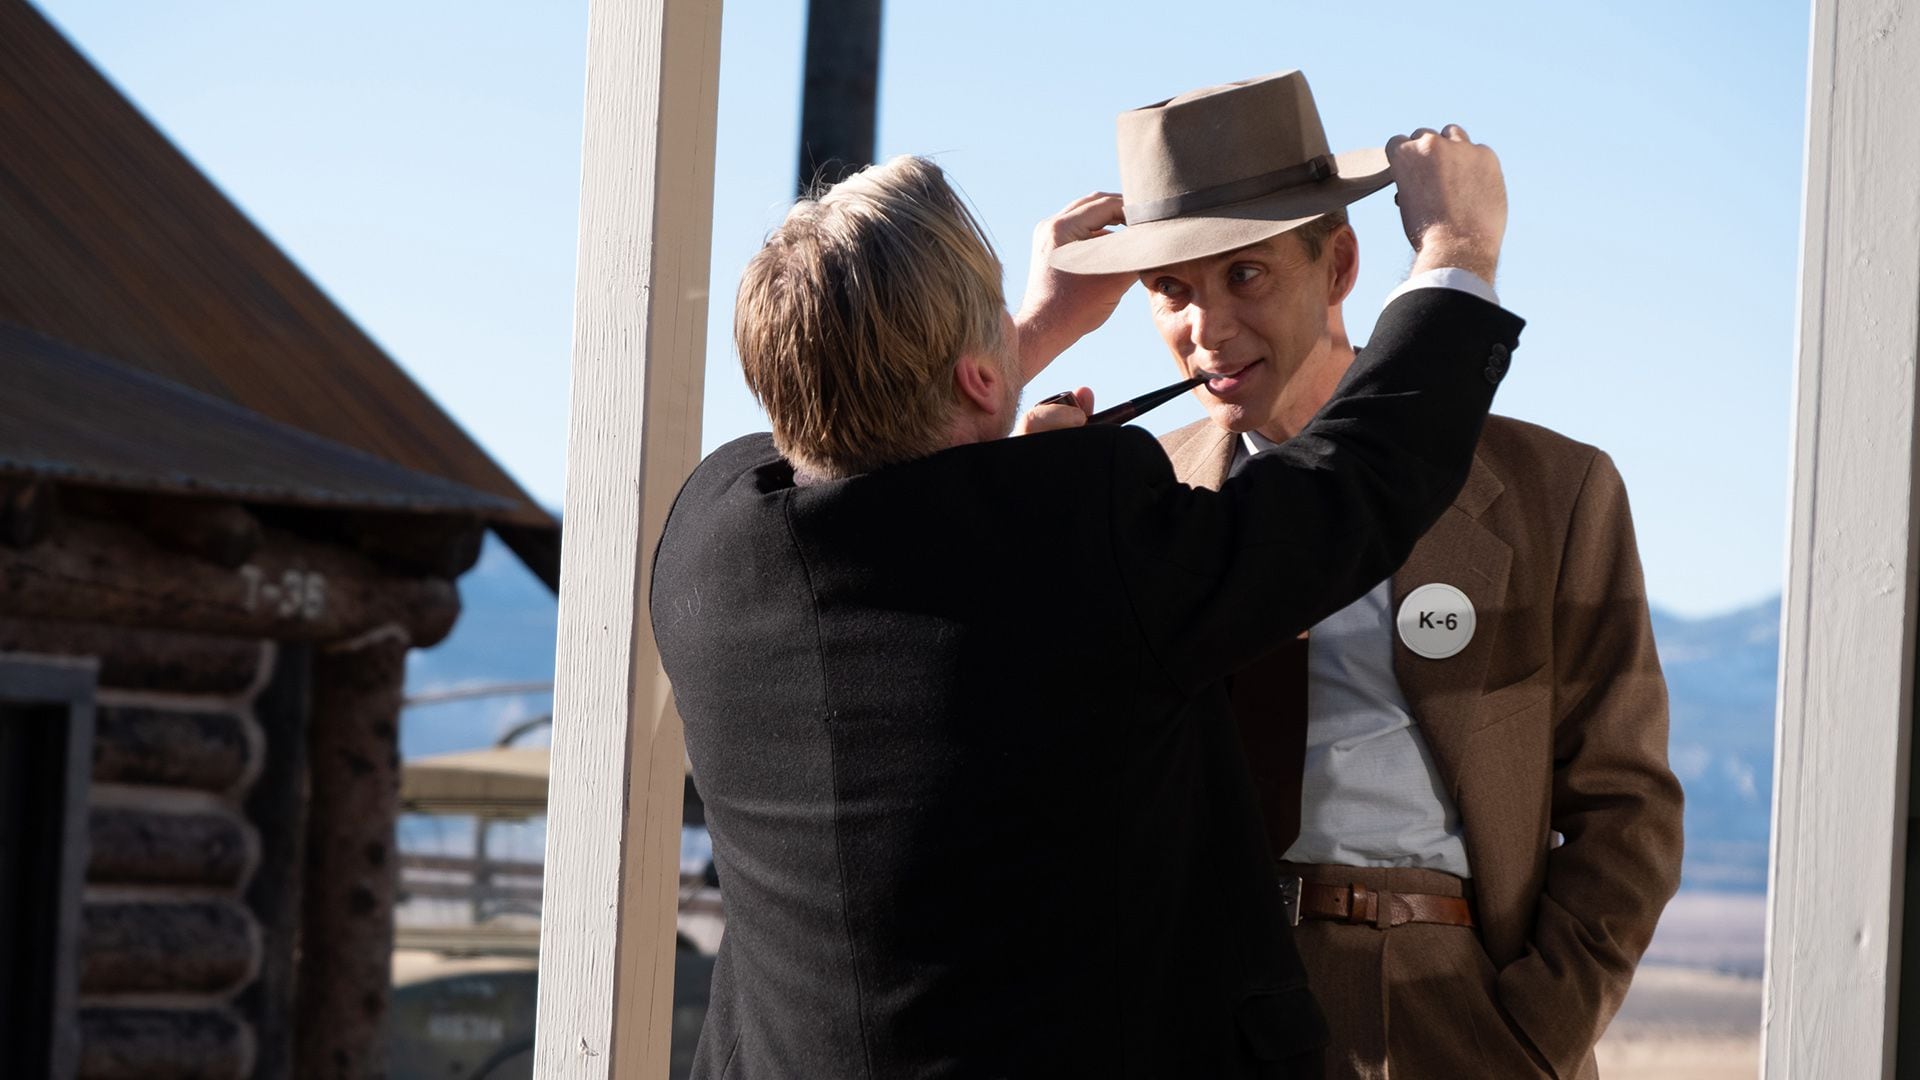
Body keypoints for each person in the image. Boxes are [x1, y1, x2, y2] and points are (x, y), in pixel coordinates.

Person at [651, 90, 1520, 1078]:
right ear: (980, 381)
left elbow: (853, 442)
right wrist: (1456, 252)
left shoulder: (707, 542)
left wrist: (1016, 336)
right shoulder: (1078, 536)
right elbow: (1348, 488)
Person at [1051, 69, 1684, 1079]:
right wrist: (1032, 336)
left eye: (1245, 275)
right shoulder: (1135, 501)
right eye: (1171, 288)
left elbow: (1627, 810)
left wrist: (1533, 1034)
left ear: (1338, 264)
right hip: (1201, 1018)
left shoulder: (1551, 490)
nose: (1205, 330)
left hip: (1455, 1010)